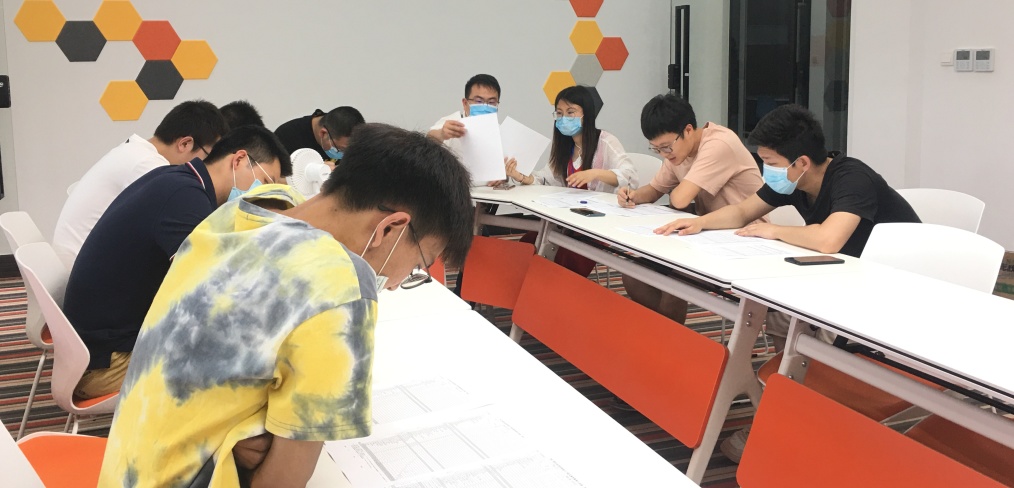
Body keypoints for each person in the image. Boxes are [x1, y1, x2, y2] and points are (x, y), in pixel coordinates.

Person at [98, 124, 475, 487]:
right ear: (389, 228)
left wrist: (245, 430)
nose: (394, 284)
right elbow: (280, 482)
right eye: (419, 263)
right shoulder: (340, 283)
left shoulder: (245, 210)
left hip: (123, 468)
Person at [663, 104, 920, 462]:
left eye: (770, 161)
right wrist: (700, 223)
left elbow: (828, 239)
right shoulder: (794, 181)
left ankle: (801, 413)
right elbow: (743, 211)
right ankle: (793, 404)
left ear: (801, 162)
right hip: (844, 277)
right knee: (778, 315)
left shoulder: (851, 178)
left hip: (896, 292)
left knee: (795, 322)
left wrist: (775, 231)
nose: (765, 169)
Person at [63, 126, 292, 400]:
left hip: (93, 346)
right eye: (266, 182)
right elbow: (213, 292)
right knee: (253, 366)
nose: (266, 195)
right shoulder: (185, 198)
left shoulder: (177, 180)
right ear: (240, 159)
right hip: (107, 363)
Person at [617, 93, 764, 325]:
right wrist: (632, 195)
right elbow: (654, 190)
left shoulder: (718, 144)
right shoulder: (678, 151)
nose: (664, 155)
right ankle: (660, 333)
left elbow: (680, 199)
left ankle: (668, 340)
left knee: (675, 283)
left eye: (666, 147)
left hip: (746, 238)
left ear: (687, 130)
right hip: (707, 233)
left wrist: (673, 191)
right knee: (634, 274)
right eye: (656, 149)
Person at [52, 100, 228, 268]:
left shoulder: (135, 151)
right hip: (80, 268)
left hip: (78, 259)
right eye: (209, 157)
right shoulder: (148, 165)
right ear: (185, 144)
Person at [505, 85, 636, 277]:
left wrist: (595, 173)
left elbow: (629, 175)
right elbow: (547, 179)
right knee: (528, 242)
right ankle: (531, 291)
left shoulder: (605, 141)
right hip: (568, 222)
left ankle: (552, 292)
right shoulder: (565, 146)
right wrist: (522, 177)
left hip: (596, 226)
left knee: (564, 256)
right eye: (559, 113)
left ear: (586, 114)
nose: (564, 118)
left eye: (570, 112)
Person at [426, 73, 502, 156]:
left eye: (491, 102)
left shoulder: (500, 132)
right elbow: (427, 143)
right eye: (479, 101)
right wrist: (441, 134)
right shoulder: (451, 124)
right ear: (465, 103)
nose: (485, 107)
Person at [274, 106, 365, 164]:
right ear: (323, 133)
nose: (344, 155)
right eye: (341, 150)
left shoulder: (356, 140)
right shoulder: (286, 136)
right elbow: (273, 179)